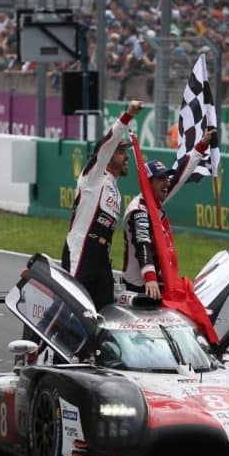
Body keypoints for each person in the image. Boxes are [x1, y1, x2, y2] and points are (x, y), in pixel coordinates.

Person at [62, 100, 143, 309]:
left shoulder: (115, 188)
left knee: (105, 311)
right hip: (82, 250)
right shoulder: (93, 177)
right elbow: (105, 145)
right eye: (121, 152)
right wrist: (127, 116)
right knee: (70, 307)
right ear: (107, 157)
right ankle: (37, 343)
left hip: (101, 258)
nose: (126, 157)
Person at [123, 129, 214, 298]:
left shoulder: (155, 200)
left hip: (156, 283)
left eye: (166, 178)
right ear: (147, 183)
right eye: (160, 179)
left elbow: (180, 176)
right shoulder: (138, 210)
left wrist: (202, 145)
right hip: (138, 287)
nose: (166, 183)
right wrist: (150, 278)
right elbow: (143, 243)